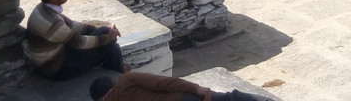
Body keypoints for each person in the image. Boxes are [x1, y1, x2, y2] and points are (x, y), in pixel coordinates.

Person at [25, 0, 125, 80]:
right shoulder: (53, 23)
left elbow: (72, 25)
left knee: (106, 33)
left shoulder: (43, 8)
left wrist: (103, 30)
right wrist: (109, 38)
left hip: (59, 53)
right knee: (111, 46)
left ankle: (118, 75)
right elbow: (80, 42)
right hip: (56, 68)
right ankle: (119, 78)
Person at [88, 72, 262, 101]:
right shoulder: (126, 80)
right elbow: (163, 83)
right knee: (228, 98)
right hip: (181, 99)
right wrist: (197, 89)